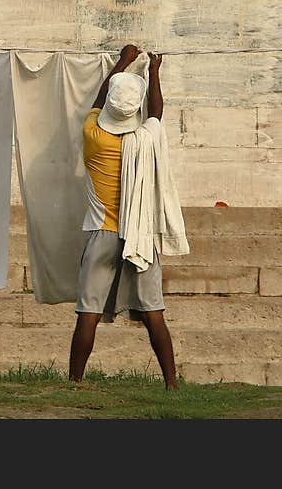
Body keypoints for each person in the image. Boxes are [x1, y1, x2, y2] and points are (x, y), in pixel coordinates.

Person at [68, 44, 178, 390]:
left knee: (89, 313)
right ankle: (171, 383)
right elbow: (156, 112)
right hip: (139, 235)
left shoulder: (93, 135)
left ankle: (74, 380)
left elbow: (99, 103)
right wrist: (154, 71)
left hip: (102, 233)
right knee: (153, 313)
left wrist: (124, 61)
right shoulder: (145, 139)